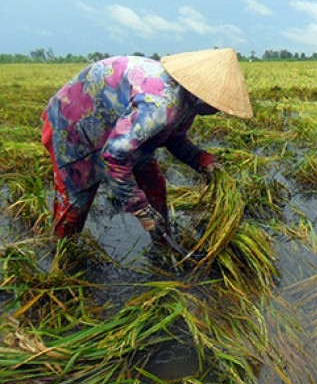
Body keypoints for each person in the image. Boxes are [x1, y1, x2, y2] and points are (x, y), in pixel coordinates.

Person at [41, 48, 253, 242]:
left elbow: (175, 139)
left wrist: (203, 161)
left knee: (154, 185)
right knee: (77, 200)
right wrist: (140, 209)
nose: (219, 110)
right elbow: (114, 156)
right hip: (73, 124)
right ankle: (62, 254)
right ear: (204, 95)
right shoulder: (160, 104)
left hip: (121, 130)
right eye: (218, 103)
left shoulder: (187, 102)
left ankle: (163, 239)